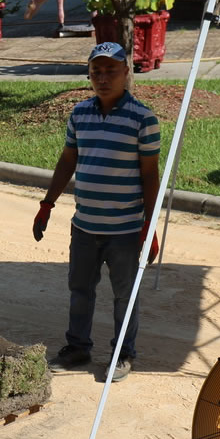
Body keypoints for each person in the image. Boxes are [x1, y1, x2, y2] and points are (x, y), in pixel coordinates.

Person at [33, 41, 161, 382]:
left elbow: (150, 175)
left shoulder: (143, 119)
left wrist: (150, 226)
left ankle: (123, 354)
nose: (103, 78)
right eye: (96, 72)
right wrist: (47, 204)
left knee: (125, 296)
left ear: (126, 72)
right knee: (80, 290)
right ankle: (78, 347)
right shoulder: (80, 114)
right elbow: (68, 160)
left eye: (111, 71)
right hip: (85, 226)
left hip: (125, 230)